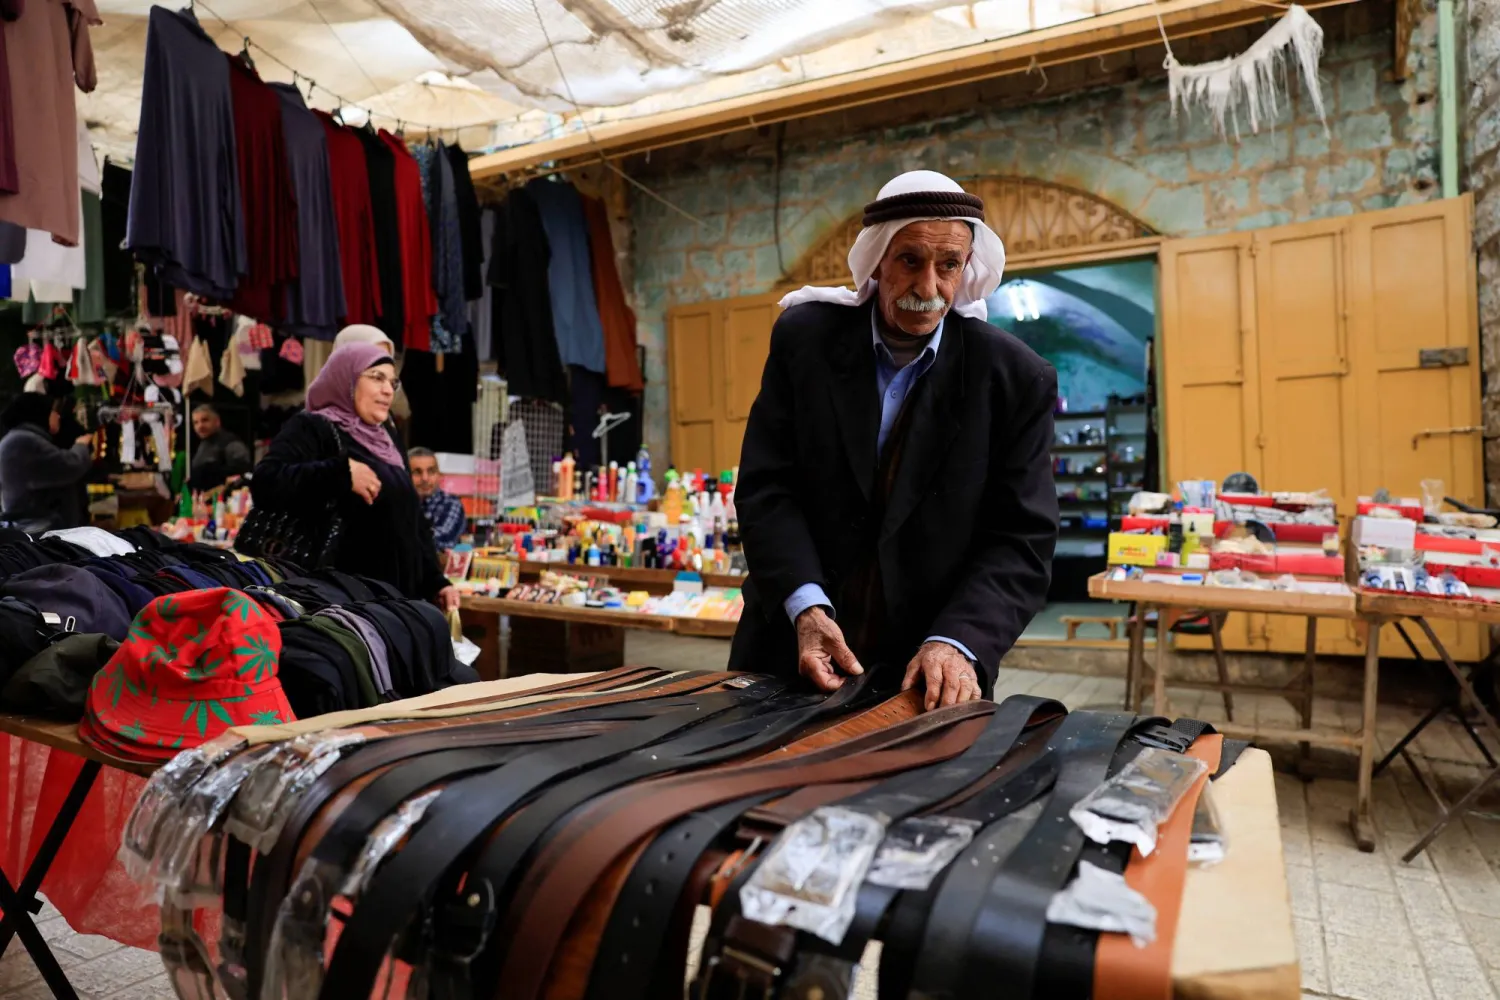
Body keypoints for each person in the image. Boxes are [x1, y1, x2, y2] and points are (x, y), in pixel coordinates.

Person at [729, 170, 1059, 712]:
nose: (929, 288)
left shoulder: (1014, 379)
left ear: (965, 268)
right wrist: (806, 606)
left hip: (926, 674)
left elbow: (1020, 538)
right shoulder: (805, 341)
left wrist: (958, 643)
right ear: (878, 261)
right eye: (911, 261)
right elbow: (768, 487)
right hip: (787, 645)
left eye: (949, 265)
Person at [251, 342, 460, 612]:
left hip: (397, 602)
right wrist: (340, 474)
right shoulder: (314, 427)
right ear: (346, 378)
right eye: (376, 378)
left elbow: (412, 520)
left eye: (392, 382)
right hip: (342, 604)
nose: (387, 390)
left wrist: (436, 582)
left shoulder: (386, 439)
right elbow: (266, 481)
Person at [0, 393, 95, 531]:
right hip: (39, 528)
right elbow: (69, 467)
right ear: (39, 413)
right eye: (52, 411)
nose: (57, 416)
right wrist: (81, 446)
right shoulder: (24, 442)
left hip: (38, 526)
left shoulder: (20, 439)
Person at [335, 323, 411, 421]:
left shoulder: (386, 424)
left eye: (392, 382)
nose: (389, 391)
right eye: (377, 377)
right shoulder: (318, 430)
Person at [409, 446, 466, 553]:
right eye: (417, 472)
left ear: (439, 475)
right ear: (405, 475)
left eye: (431, 471)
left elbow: (441, 540)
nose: (425, 478)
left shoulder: (450, 503)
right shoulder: (400, 504)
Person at [189, 403, 253, 491]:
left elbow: (242, 474)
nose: (200, 426)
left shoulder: (231, 443)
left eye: (205, 420)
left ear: (217, 421)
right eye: (196, 423)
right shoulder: (203, 445)